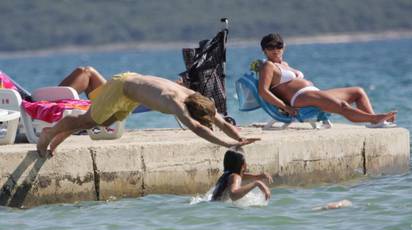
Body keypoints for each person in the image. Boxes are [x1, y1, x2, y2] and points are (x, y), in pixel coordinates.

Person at [37, 72, 260, 157]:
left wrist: (238, 139)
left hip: (131, 92)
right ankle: (49, 134)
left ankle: (56, 139)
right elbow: (198, 128)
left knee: (106, 121)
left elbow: (218, 121)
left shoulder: (194, 97)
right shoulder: (176, 103)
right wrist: (226, 145)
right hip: (121, 87)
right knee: (89, 120)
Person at [258, 33, 397, 126]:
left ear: (284, 47)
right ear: (264, 50)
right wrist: (285, 107)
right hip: (300, 98)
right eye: (270, 47)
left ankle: (374, 121)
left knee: (357, 92)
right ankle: (375, 118)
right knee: (342, 106)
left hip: (312, 93)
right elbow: (263, 91)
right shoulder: (268, 66)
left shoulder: (284, 64)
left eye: (279, 46)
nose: (275, 49)